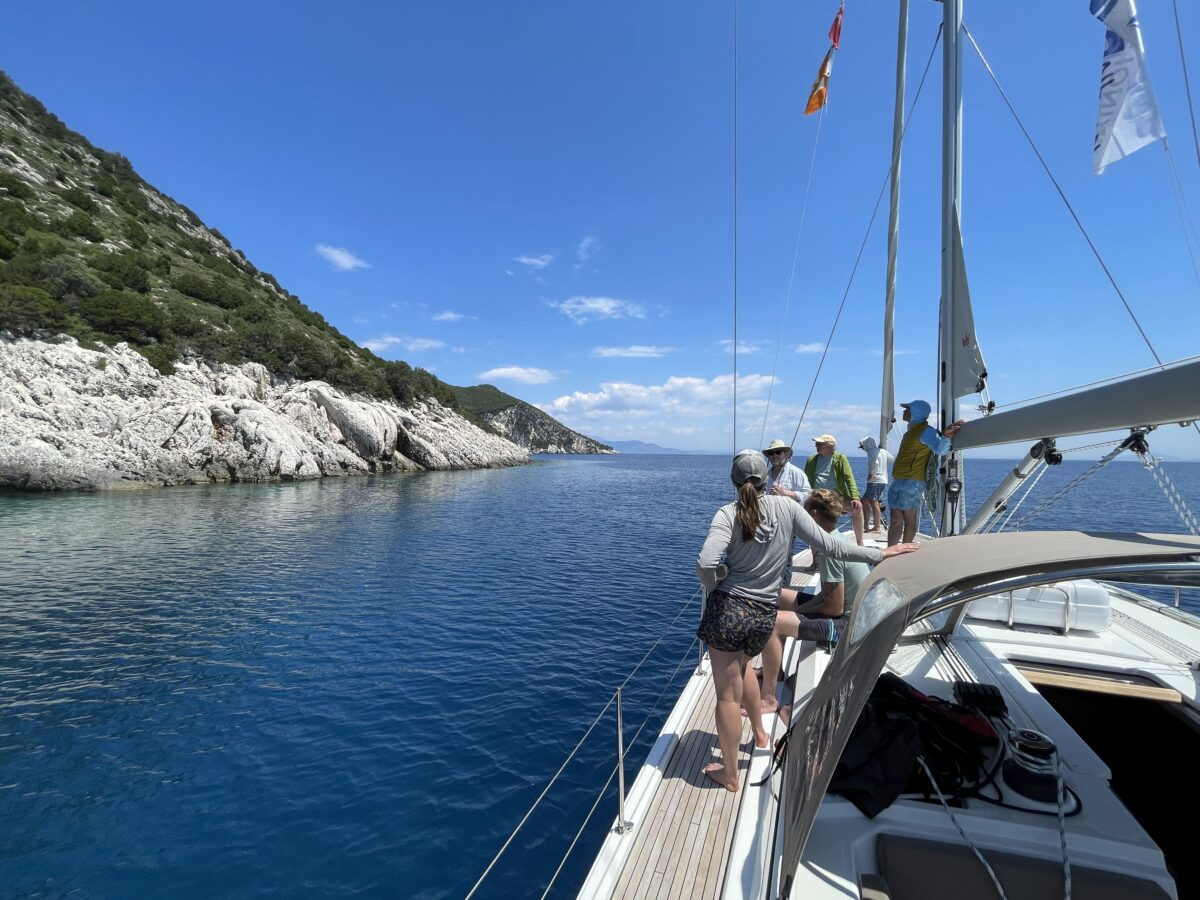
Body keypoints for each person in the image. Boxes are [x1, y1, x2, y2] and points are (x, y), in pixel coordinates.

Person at [696, 450, 918, 792]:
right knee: (743, 669)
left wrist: (721, 580)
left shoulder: (728, 514)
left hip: (729, 610)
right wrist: (880, 553)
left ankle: (728, 774)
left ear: (733, 481)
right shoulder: (787, 508)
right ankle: (758, 732)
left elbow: (707, 562)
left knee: (727, 696)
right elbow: (832, 546)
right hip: (762, 614)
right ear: (767, 479)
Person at [759, 489, 873, 713]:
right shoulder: (837, 538)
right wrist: (802, 609)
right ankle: (774, 668)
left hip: (849, 625)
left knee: (773, 623)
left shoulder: (828, 549)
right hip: (850, 613)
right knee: (778, 595)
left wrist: (800, 612)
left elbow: (834, 607)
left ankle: (769, 699)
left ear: (812, 514)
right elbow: (831, 598)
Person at [887, 400, 964, 546]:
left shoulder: (926, 431)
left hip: (912, 481)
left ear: (915, 412)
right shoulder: (910, 432)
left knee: (909, 518)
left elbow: (941, 450)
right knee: (895, 518)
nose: (904, 412)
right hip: (899, 481)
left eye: (907, 409)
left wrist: (946, 437)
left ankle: (905, 551)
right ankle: (890, 552)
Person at [803, 434, 864, 545]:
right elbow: (805, 480)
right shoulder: (811, 459)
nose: (816, 445)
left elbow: (849, 478)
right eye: (816, 443)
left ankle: (860, 543)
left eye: (819, 444)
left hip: (836, 496)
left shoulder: (840, 459)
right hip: (818, 497)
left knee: (857, 508)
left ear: (829, 446)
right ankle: (815, 557)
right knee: (812, 522)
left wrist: (855, 497)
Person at [858, 436, 892, 535]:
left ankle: (876, 527)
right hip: (882, 480)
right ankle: (866, 524)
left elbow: (874, 463)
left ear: (867, 445)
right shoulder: (882, 451)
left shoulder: (871, 452)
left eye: (863, 447)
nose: (863, 449)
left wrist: (871, 475)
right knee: (864, 500)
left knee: (874, 502)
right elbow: (892, 460)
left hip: (875, 479)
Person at [762, 439, 811, 504]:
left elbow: (808, 495)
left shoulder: (796, 472)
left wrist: (784, 493)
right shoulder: (766, 475)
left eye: (778, 452)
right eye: (771, 453)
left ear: (786, 454)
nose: (774, 455)